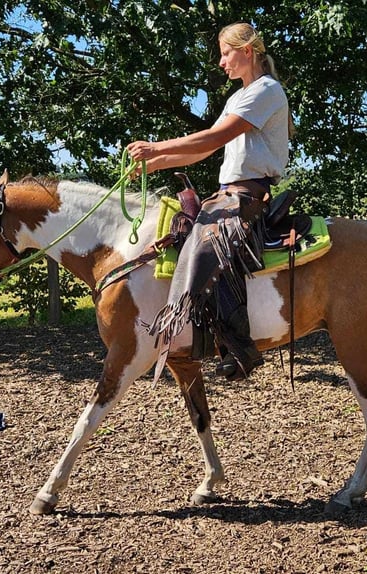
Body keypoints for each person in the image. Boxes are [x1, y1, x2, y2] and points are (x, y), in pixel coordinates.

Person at [126, 22, 290, 381]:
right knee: (182, 234)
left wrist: (157, 146)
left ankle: (237, 344)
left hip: (248, 194)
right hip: (228, 193)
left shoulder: (267, 91)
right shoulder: (239, 97)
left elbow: (217, 134)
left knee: (205, 247)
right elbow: (207, 148)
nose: (221, 62)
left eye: (225, 53)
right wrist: (153, 163)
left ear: (246, 51)